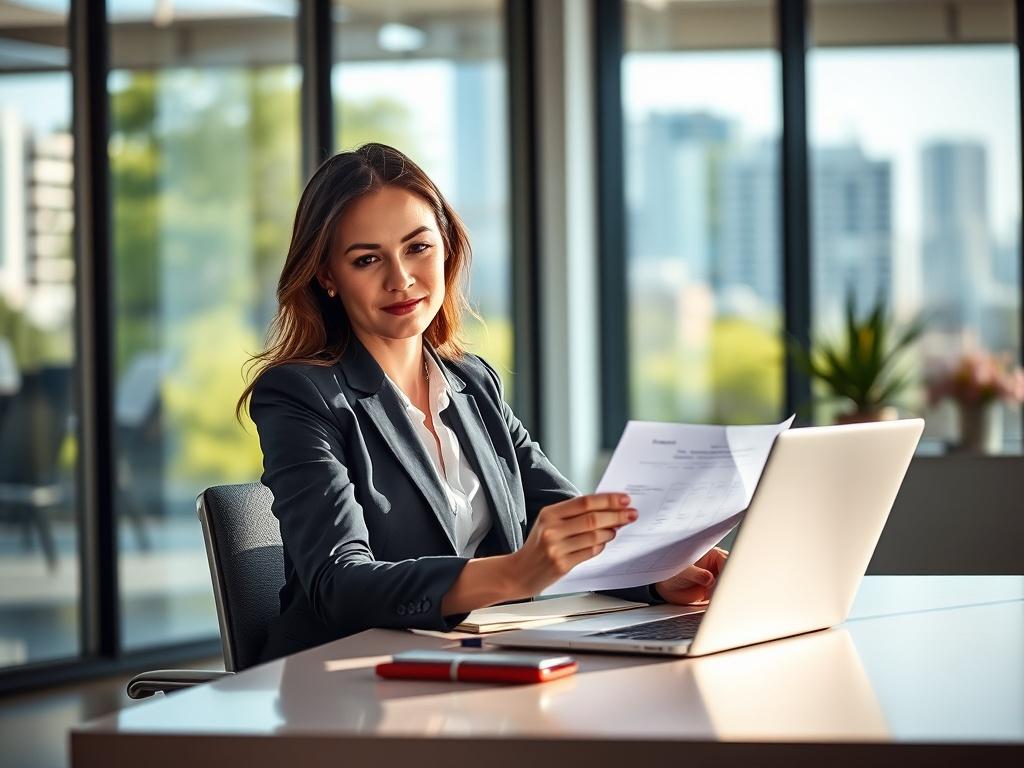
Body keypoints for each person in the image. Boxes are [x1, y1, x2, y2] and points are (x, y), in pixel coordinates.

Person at [240, 143, 727, 662]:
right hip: (345, 682)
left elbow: (565, 524)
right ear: (327, 277)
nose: (400, 279)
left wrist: (657, 574)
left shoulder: (474, 383)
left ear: (446, 247)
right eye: (366, 259)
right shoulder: (299, 395)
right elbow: (340, 585)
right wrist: (515, 573)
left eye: (417, 248)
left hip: (482, 660)